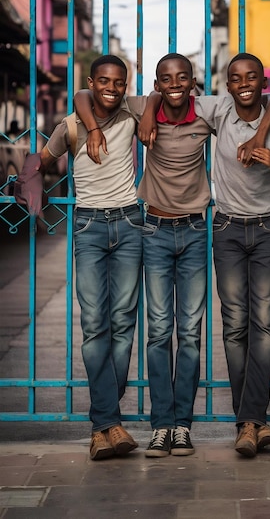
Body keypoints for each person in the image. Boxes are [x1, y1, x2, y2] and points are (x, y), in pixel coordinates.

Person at [74, 53, 270, 458]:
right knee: (158, 331)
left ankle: (183, 426)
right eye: (165, 79)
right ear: (156, 83)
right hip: (152, 230)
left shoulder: (209, 112)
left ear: (193, 82)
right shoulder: (138, 107)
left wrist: (259, 139)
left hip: (193, 232)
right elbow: (86, 93)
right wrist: (146, 110)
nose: (175, 84)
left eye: (182, 78)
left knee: (189, 332)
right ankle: (161, 425)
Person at [15, 55, 143, 461]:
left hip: (129, 224)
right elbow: (42, 159)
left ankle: (105, 420)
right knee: (94, 324)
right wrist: (30, 177)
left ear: (126, 85)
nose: (112, 88)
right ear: (92, 82)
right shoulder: (70, 125)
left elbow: (158, 98)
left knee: (123, 320)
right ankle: (108, 422)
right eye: (103, 81)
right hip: (88, 227)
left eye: (119, 82)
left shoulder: (132, 115)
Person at [195, 53, 270, 458]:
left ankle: (250, 418)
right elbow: (172, 94)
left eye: (251, 76)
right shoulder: (220, 112)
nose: (243, 83)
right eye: (236, 77)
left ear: (261, 81)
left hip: (268, 228)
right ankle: (251, 420)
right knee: (235, 323)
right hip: (227, 228)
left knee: (265, 324)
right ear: (227, 84)